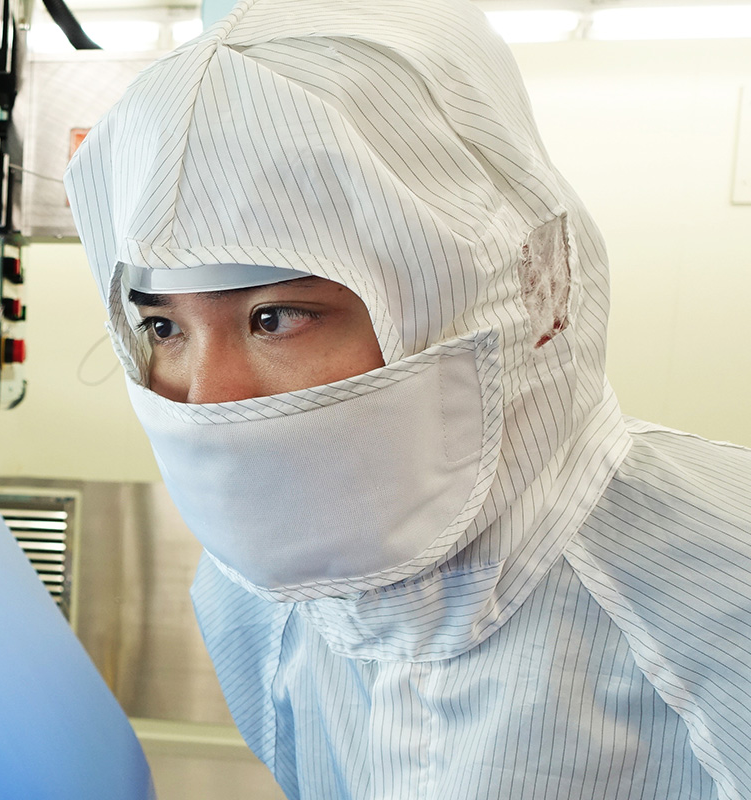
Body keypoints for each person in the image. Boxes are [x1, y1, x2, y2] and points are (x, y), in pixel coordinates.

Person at [63, 0, 751, 795]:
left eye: (275, 317)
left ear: (502, 295)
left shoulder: (723, 592)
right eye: (163, 328)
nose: (208, 399)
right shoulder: (254, 603)